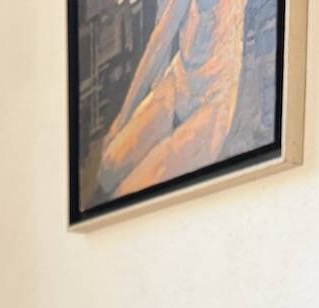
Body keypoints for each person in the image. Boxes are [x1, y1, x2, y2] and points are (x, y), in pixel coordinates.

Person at [97, 0, 248, 199]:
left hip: (214, 101)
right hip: (178, 83)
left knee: (129, 190)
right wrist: (122, 119)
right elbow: (157, 46)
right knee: (109, 166)